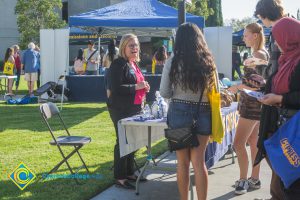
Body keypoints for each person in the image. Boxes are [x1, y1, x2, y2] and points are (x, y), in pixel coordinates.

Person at [160, 23, 216, 200]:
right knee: (199, 163)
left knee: (182, 163)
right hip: (204, 111)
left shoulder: (173, 60)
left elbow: (164, 92)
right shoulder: (208, 60)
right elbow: (215, 91)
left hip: (179, 112)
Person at [257, 17, 300, 200]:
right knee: (285, 182)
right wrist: (265, 87)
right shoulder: (287, 59)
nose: (276, 44)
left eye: (278, 39)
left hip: (295, 133)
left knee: (293, 185)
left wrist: (280, 98)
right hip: (284, 128)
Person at [230, 23, 269, 195]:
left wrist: (237, 87)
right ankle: (254, 178)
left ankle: (243, 180)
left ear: (255, 36)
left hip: (251, 107)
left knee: (238, 144)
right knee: (253, 143)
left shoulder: (257, 55)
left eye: (245, 35)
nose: (243, 38)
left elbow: (258, 85)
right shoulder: (263, 53)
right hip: (257, 106)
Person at [107, 33, 150, 189]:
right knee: (123, 141)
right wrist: (136, 87)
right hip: (120, 108)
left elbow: (137, 83)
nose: (135, 48)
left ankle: (130, 172)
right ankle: (119, 177)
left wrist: (144, 86)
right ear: (123, 47)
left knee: (134, 140)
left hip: (135, 107)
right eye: (131, 45)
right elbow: (116, 88)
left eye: (136, 45)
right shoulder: (118, 64)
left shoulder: (134, 64)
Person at [254, 1, 286, 199]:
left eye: (260, 17)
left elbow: (276, 72)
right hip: (280, 106)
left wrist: (260, 68)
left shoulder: (278, 31)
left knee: (273, 151)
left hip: (279, 110)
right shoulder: (285, 28)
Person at [254, 0, 285, 78]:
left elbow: (274, 70)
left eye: (259, 16)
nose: (260, 19)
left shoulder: (278, 30)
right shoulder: (291, 24)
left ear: (264, 13)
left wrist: (257, 66)